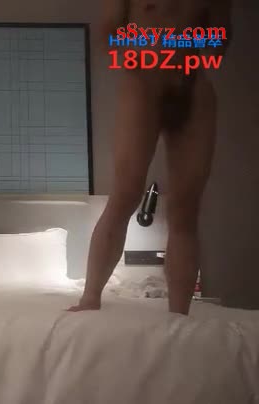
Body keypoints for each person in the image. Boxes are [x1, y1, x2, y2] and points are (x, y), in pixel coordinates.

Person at [69, 0, 232, 314]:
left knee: (186, 208)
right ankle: (90, 299)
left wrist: (187, 45)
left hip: (192, 85)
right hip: (142, 83)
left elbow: (221, 40)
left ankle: (179, 314)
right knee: (125, 194)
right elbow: (108, 35)